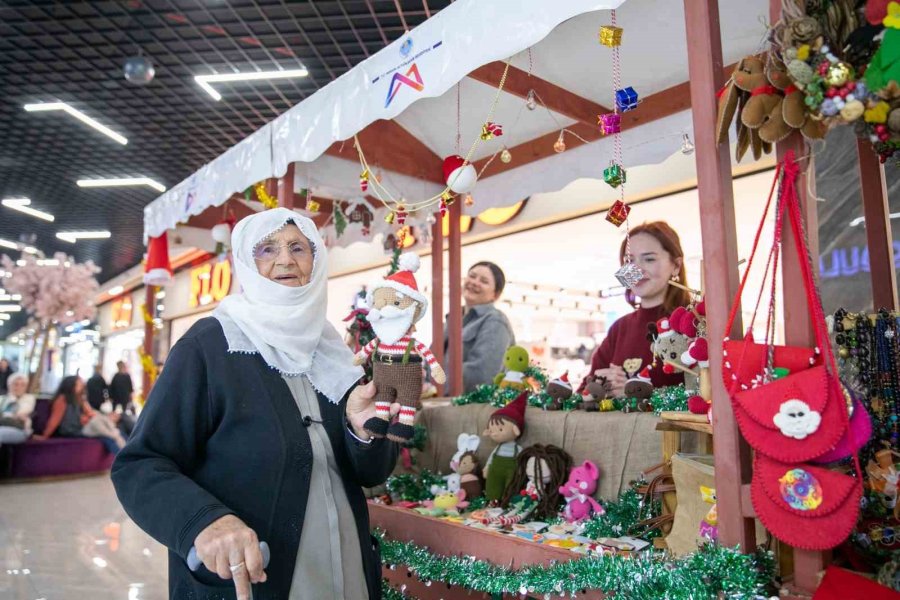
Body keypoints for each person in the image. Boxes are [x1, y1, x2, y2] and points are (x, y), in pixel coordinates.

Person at [112, 208, 399, 600]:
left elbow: (369, 473)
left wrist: (363, 434)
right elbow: (140, 464)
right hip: (255, 584)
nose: (285, 259)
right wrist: (204, 522)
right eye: (267, 249)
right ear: (245, 262)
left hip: (344, 575)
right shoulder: (210, 346)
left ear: (316, 260)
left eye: (298, 247)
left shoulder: (332, 349)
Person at [578, 222, 689, 398]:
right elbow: (581, 393)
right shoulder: (619, 328)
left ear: (676, 265)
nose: (637, 269)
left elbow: (706, 395)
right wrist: (598, 386)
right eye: (629, 261)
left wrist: (637, 393)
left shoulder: (692, 324)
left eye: (649, 259)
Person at [445, 261, 515, 392]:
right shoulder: (453, 318)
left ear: (496, 294)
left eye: (484, 281)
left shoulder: (495, 321)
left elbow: (481, 375)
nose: (474, 282)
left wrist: (437, 381)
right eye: (472, 276)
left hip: (466, 408)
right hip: (437, 403)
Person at [35, 375, 127, 454]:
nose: (82, 385)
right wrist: (45, 436)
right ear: (71, 385)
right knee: (109, 437)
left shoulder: (80, 399)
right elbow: (55, 420)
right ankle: (124, 462)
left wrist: (89, 417)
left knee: (118, 432)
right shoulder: (62, 399)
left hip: (82, 427)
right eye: (79, 383)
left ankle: (129, 457)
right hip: (71, 430)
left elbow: (91, 413)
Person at [0, 373, 35, 446]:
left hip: (19, 429)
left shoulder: (29, 398)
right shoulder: (2, 398)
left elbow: (20, 412)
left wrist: (13, 398)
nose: (19, 387)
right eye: (15, 384)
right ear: (9, 385)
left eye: (23, 385)